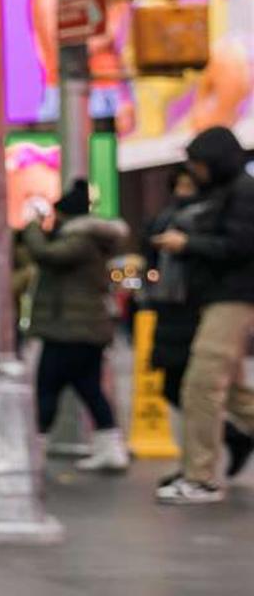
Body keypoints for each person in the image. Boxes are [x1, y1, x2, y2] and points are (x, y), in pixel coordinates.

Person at [152, 126, 254, 504]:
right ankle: (197, 471)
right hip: (216, 299)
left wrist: (188, 243)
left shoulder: (243, 192)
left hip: (233, 298)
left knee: (202, 384)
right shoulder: (223, 192)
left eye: (198, 164)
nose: (194, 172)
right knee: (231, 392)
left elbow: (240, 245)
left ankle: (200, 477)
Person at [19, 180, 131, 473]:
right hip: (85, 329)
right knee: (89, 388)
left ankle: (34, 450)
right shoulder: (92, 239)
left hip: (69, 330)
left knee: (48, 388)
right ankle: (110, 448)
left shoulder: (80, 240)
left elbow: (48, 255)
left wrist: (32, 227)